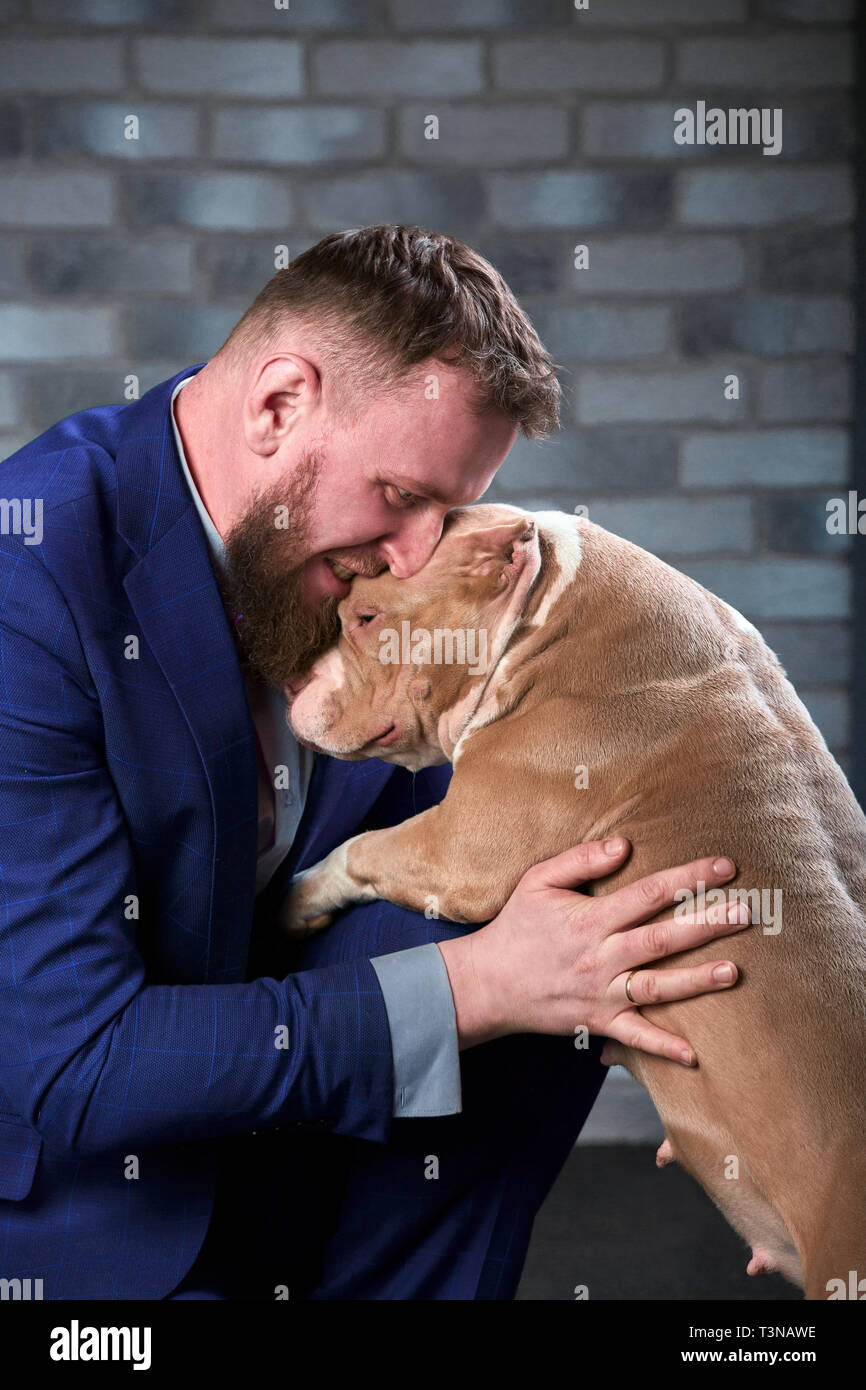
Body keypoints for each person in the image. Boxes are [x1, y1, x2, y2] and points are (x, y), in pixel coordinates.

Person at [0, 225, 749, 1301]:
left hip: (288, 1128)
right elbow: (74, 1066)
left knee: (570, 925)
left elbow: (483, 845)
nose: (415, 555)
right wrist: (471, 990)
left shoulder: (379, 568)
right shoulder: (28, 583)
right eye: (398, 493)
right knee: (497, 977)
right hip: (93, 1199)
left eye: (444, 508)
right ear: (276, 406)